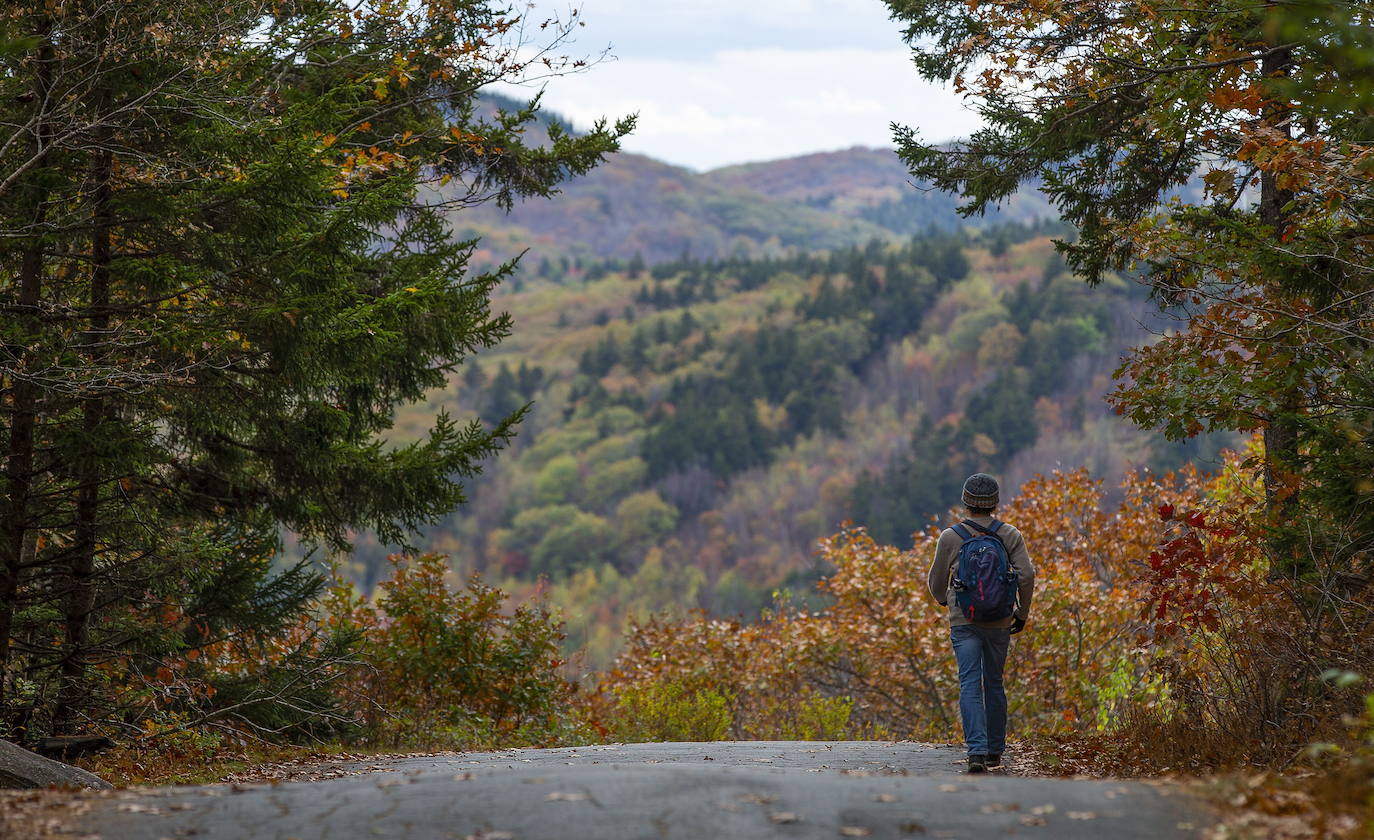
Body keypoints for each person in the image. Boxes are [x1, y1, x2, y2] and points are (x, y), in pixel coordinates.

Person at [926, 473, 1036, 773]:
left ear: (965, 503)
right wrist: (1022, 612)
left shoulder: (952, 537)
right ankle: (995, 751)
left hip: (964, 620)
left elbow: (935, 581)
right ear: (995, 503)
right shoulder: (1010, 534)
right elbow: (1026, 575)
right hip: (1000, 620)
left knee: (969, 682)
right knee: (995, 683)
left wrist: (943, 600)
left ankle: (976, 752)